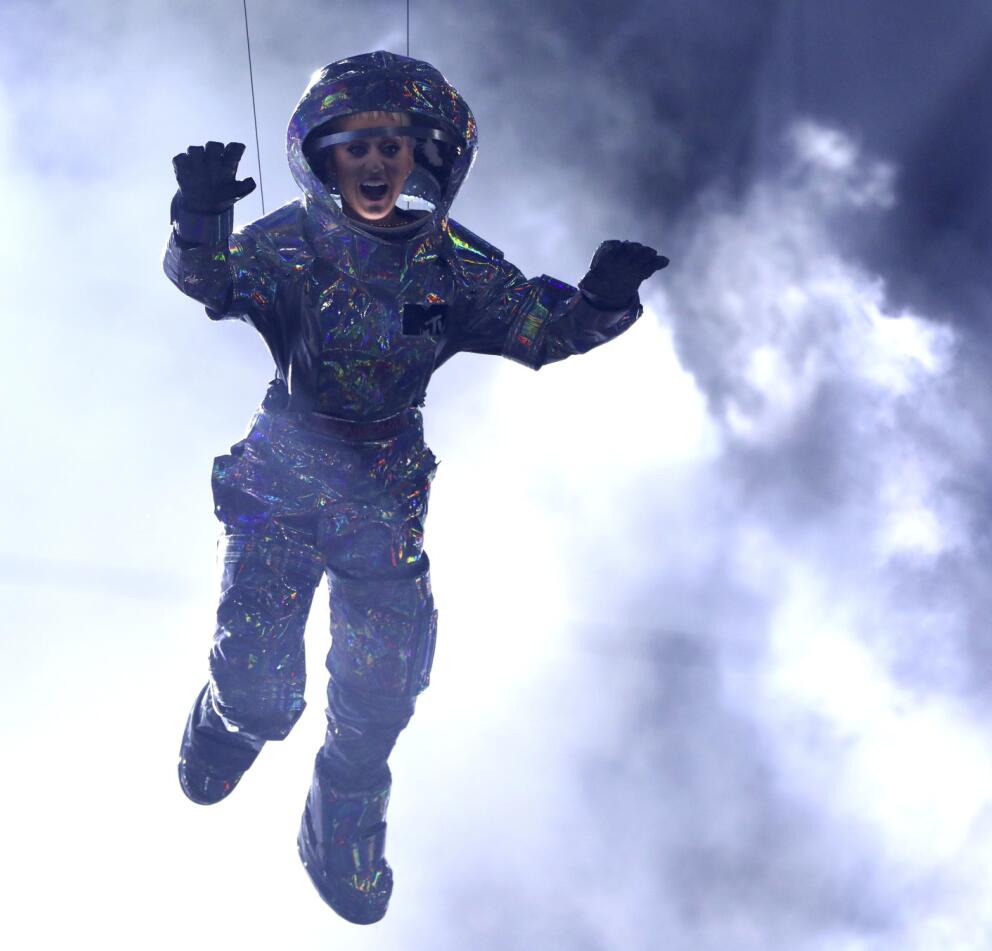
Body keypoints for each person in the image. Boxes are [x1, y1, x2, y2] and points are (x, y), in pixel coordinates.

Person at [163, 50, 667, 924]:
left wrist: (600, 300)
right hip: (285, 475)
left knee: (383, 687)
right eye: (356, 146)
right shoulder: (289, 241)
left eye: (393, 147)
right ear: (322, 156)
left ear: (425, 158)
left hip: (386, 491)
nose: (374, 163)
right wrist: (200, 217)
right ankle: (230, 720)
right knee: (259, 681)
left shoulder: (456, 265)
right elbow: (209, 282)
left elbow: (539, 331)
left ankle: (343, 826)